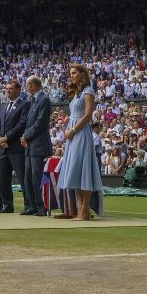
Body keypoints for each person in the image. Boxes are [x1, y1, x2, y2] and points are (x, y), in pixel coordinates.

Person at [55, 65, 102, 220]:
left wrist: (73, 130)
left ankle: (84, 209)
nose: (72, 76)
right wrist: (69, 128)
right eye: (71, 73)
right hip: (72, 134)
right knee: (75, 169)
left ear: (82, 74)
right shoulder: (76, 94)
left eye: (74, 73)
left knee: (83, 169)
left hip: (80, 134)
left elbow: (88, 115)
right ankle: (79, 209)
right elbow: (76, 114)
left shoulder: (88, 91)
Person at [0, 81, 28, 213]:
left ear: (19, 90)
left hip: (16, 147)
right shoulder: (2, 107)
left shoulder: (24, 104)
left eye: (11, 89)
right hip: (3, 148)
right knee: (3, 178)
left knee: (22, 177)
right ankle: (7, 204)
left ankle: (28, 204)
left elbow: (21, 124)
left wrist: (6, 137)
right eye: (7, 89)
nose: (8, 91)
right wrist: (0, 140)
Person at [21, 76, 52, 216]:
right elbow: (28, 122)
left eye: (27, 85)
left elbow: (40, 122)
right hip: (29, 145)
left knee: (37, 177)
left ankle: (42, 207)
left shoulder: (44, 99)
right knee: (28, 177)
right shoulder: (32, 100)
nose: (26, 87)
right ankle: (32, 206)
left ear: (33, 85)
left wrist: (26, 136)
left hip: (38, 145)